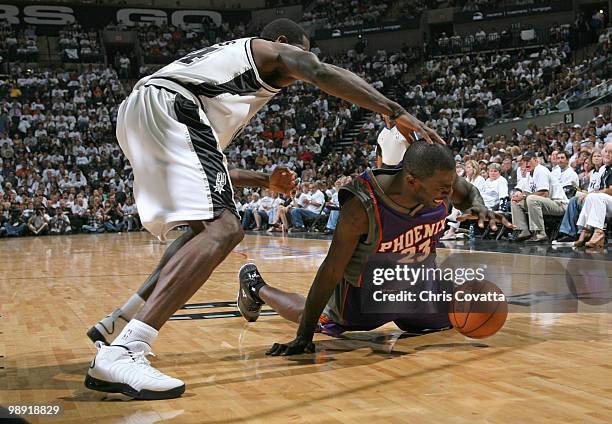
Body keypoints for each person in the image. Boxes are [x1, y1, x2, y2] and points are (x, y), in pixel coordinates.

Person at [85, 18, 442, 400]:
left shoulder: (215, 85)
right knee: (224, 230)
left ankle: (120, 321)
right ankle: (126, 349)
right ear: (285, 43)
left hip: (139, 112)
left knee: (201, 228)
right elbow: (318, 71)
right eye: (303, 52)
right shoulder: (266, 51)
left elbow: (215, 170)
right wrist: (392, 110)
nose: (303, 64)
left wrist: (265, 181)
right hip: (167, 104)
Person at [236, 142, 508, 355]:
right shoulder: (362, 204)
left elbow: (468, 191)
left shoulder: (440, 181)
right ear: (412, 181)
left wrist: (480, 205)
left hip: (418, 287)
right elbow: (331, 270)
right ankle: (256, 286)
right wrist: (303, 337)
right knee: (315, 317)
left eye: (450, 187)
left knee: (478, 300)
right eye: (442, 189)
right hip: (364, 294)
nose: (449, 195)